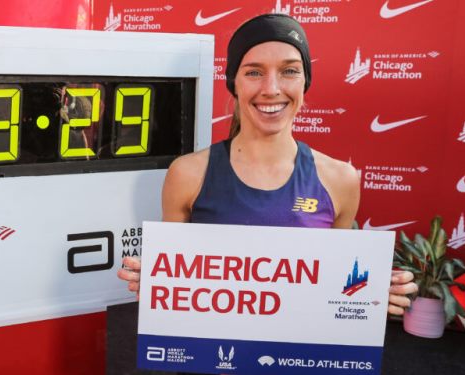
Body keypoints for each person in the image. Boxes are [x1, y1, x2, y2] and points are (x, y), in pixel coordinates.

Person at [117, 13, 417, 316]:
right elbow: (175, 277)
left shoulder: (340, 179)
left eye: (289, 70)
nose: (272, 88)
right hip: (208, 360)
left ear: (305, 82)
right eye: (254, 72)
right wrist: (157, 283)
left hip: (301, 358)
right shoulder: (188, 173)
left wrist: (373, 292)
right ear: (234, 84)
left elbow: (337, 282)